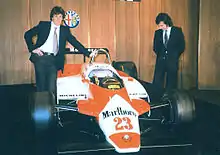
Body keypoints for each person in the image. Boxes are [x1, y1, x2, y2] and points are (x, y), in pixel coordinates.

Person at [24, 6, 96, 93]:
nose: (58, 19)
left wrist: (88, 53)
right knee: (41, 86)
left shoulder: (64, 30)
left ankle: (51, 106)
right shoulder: (43, 25)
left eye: (60, 17)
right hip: (41, 58)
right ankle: (41, 105)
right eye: (56, 16)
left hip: (54, 60)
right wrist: (33, 49)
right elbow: (27, 34)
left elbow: (74, 42)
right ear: (52, 17)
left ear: (63, 18)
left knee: (52, 88)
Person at [152, 13, 185, 90]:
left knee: (171, 83)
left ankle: (169, 98)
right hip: (160, 61)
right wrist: (161, 55)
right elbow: (155, 47)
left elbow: (181, 46)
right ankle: (156, 98)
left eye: (162, 25)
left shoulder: (177, 31)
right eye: (159, 25)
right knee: (157, 82)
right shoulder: (158, 33)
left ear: (167, 23)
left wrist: (174, 55)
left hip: (172, 61)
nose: (160, 27)